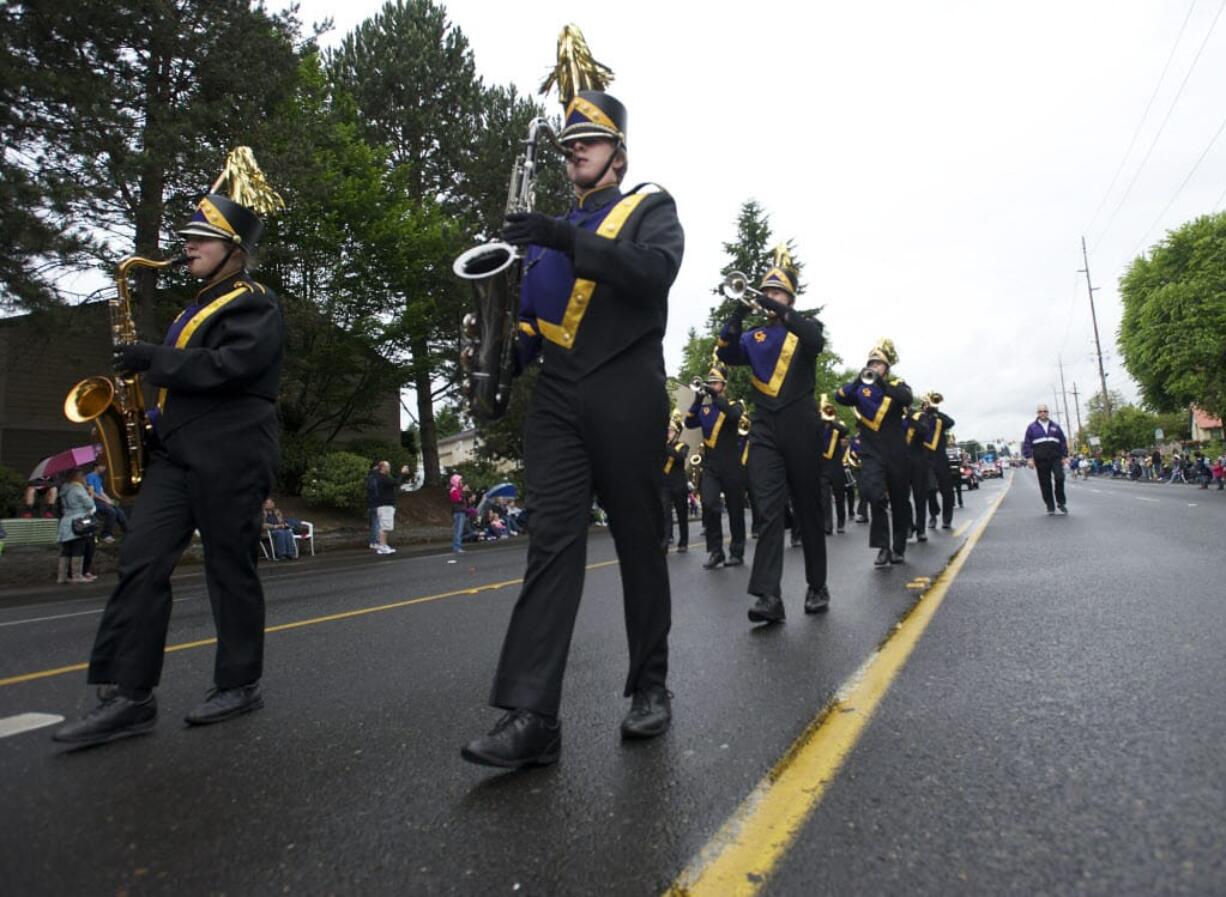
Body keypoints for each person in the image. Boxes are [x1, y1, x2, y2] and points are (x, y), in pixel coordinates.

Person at [461, 46, 685, 769]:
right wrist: (493, 357)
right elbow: (530, 328)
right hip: (557, 398)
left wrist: (562, 235)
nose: (575, 153)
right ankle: (532, 716)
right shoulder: (543, 239)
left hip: (626, 388)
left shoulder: (650, 206)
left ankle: (649, 684)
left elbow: (652, 275)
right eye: (567, 146)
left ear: (618, 153)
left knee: (638, 543)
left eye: (587, 142)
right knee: (549, 545)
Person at [53, 150, 285, 747]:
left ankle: (239, 683)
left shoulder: (253, 303)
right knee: (140, 562)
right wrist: (149, 420)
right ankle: (129, 695)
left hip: (232, 456)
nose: (187, 246)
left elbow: (231, 367)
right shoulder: (194, 306)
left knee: (228, 568)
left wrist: (154, 359)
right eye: (186, 238)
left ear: (233, 246)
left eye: (200, 238)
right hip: (176, 457)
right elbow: (189, 381)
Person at [716, 245, 829, 622]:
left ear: (790, 297)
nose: (770, 297)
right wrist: (738, 309)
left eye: (777, 292)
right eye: (766, 292)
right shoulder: (754, 337)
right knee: (767, 511)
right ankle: (769, 597)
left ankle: (817, 585)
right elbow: (728, 352)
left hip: (801, 423)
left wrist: (784, 311)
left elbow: (816, 341)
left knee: (808, 507)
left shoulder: (804, 329)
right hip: (765, 427)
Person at [835, 340, 913, 567]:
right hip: (871, 451)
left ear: (886, 368)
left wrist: (881, 382)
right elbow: (840, 396)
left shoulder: (897, 385)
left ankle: (898, 547)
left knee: (899, 498)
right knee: (875, 495)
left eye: (879, 364)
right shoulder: (861, 388)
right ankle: (882, 547)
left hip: (896, 450)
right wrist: (859, 379)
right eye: (872, 363)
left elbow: (906, 399)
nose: (875, 367)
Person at [684, 367, 746, 568]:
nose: (711, 385)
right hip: (711, 466)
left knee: (736, 509)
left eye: (715, 383)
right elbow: (689, 422)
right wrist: (698, 399)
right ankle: (716, 551)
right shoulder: (705, 409)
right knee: (709, 505)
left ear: (723, 386)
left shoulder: (734, 404)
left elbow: (733, 416)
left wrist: (714, 395)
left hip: (731, 465)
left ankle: (736, 551)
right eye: (709, 383)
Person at [1021, 404, 1068, 515]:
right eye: (1040, 411)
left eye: (1045, 411)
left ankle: (1061, 502)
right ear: (1037, 413)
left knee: (1060, 477)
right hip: (1041, 459)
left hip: (1055, 458)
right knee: (1045, 483)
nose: (1043, 413)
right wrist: (1029, 458)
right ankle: (1050, 506)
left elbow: (1062, 441)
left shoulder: (1055, 426)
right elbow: (1027, 444)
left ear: (1048, 412)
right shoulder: (1032, 427)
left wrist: (1064, 456)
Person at [919, 393, 956, 530]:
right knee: (930, 488)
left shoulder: (940, 419)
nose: (928, 406)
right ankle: (933, 515)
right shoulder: (920, 418)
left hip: (940, 458)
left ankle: (947, 519)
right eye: (926, 404)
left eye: (930, 404)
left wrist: (935, 413)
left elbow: (951, 422)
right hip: (925, 458)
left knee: (947, 490)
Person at [56, 467, 97, 583]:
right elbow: (90, 504)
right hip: (79, 521)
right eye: (82, 476)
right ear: (77, 477)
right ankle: (77, 576)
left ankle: (62, 577)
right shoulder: (78, 489)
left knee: (66, 549)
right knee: (78, 547)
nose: (84, 478)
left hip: (66, 521)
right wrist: (89, 493)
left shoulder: (64, 488)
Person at [818, 396, 849, 536]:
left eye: (829, 411)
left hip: (836, 467)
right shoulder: (817, 427)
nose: (827, 413)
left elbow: (846, 430)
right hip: (822, 467)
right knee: (824, 498)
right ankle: (827, 525)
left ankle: (841, 522)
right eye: (826, 411)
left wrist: (831, 420)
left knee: (839, 496)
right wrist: (820, 418)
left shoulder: (837, 428)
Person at [661, 418, 690, 553]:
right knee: (665, 514)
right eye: (667, 431)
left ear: (676, 433)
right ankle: (665, 541)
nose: (667, 433)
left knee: (682, 514)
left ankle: (683, 541)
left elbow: (680, 457)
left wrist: (666, 446)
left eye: (670, 431)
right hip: (665, 485)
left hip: (679, 484)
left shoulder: (683, 446)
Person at [370, 460, 411, 555]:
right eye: (387, 466)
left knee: (384, 527)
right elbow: (396, 483)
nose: (389, 468)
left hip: (384, 505)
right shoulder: (382, 478)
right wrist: (402, 473)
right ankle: (382, 546)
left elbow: (394, 482)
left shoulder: (382, 477)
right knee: (386, 527)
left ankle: (382, 546)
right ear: (382, 468)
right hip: (385, 505)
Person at [85, 464, 127, 544]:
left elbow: (101, 492)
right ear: (96, 467)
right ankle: (105, 535)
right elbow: (92, 493)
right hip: (93, 501)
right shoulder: (90, 476)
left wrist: (109, 500)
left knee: (118, 510)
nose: (104, 468)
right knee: (111, 512)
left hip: (100, 500)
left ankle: (127, 531)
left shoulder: (99, 478)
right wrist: (105, 501)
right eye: (102, 466)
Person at [448, 473, 467, 553]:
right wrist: (463, 491)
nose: (461, 482)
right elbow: (458, 499)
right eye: (460, 480)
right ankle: (457, 547)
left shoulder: (458, 490)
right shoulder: (454, 490)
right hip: (458, 512)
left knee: (459, 531)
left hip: (460, 511)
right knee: (458, 531)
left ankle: (457, 547)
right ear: (456, 481)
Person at [366, 462, 382, 550]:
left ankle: (373, 542)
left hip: (371, 503)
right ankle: (375, 542)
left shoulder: (369, 477)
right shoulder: (375, 477)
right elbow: (376, 490)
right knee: (376, 524)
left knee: (373, 524)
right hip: (376, 503)